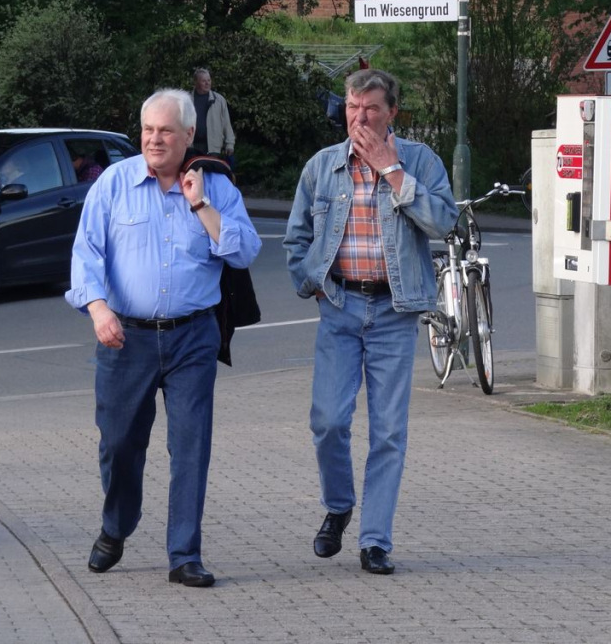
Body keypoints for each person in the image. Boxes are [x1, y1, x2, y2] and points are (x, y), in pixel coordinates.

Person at [66, 88, 261, 588]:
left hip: (192, 336)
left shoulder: (215, 185)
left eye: (166, 131)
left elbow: (244, 252)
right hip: (124, 338)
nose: (155, 139)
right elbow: (86, 255)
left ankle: (184, 554)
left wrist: (201, 205)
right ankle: (116, 526)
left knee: (191, 446)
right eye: (148, 130)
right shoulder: (114, 183)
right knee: (119, 445)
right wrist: (98, 309)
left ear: (189, 135)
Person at [283, 68, 456, 575]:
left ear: (392, 112)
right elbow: (296, 238)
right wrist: (312, 282)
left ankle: (375, 540)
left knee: (388, 431)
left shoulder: (420, 160)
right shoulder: (323, 166)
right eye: (353, 107)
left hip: (393, 311)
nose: (359, 117)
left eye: (371, 108)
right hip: (340, 306)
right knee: (329, 421)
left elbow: (443, 221)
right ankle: (339, 506)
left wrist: (391, 170)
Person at [190, 68, 236, 164]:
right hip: (192, 148)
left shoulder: (219, 100)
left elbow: (226, 124)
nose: (207, 83)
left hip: (213, 149)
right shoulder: (187, 100)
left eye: (209, 80)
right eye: (204, 81)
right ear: (196, 82)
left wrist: (230, 144)